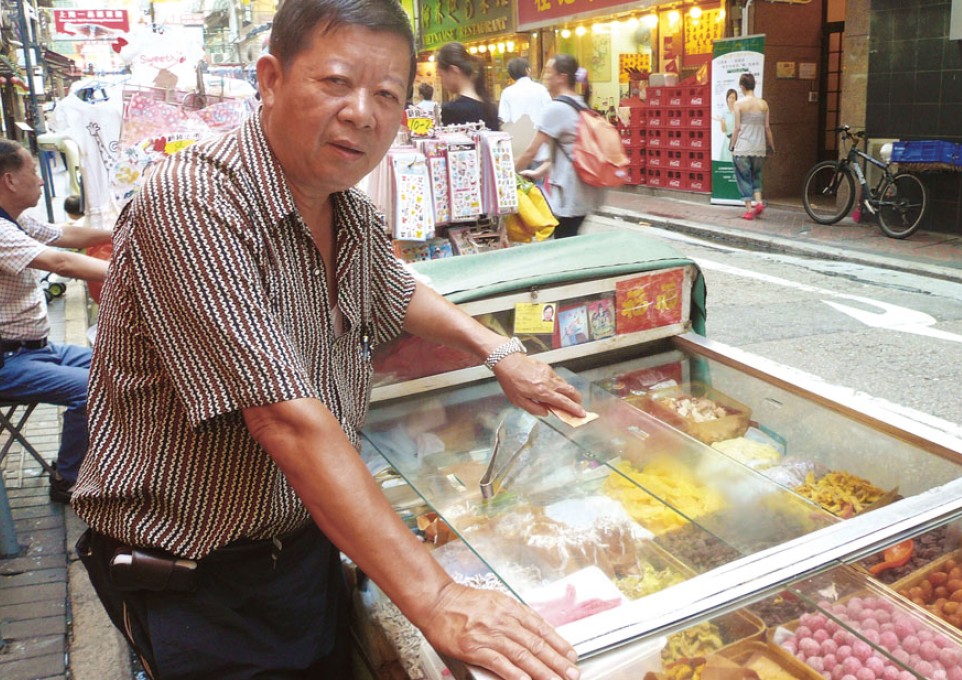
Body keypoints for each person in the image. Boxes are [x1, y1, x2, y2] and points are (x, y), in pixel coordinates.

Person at [72, 2, 584, 679]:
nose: (362, 113)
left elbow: (398, 291)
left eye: (387, 95)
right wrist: (436, 596)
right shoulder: (193, 201)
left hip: (302, 548)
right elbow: (282, 417)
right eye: (336, 83)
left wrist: (499, 352)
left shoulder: (349, 209)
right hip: (197, 582)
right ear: (271, 79)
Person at [0, 139, 111, 503]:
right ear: (9, 180)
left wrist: (119, 231)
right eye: (34, 171)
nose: (41, 180)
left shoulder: (15, 219)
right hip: (8, 361)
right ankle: (69, 478)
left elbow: (64, 235)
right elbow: (60, 262)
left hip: (36, 348)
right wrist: (131, 272)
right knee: (89, 389)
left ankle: (104, 461)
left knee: (119, 364)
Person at [514, 54, 606, 239]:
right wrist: (538, 172)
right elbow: (567, 150)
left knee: (564, 240)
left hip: (570, 190)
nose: (545, 77)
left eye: (549, 72)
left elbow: (531, 151)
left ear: (562, 77)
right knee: (568, 237)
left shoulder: (557, 108)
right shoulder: (579, 102)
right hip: (582, 188)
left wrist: (508, 173)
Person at [729, 73, 775, 220]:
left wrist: (732, 146)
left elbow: (737, 128)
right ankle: (759, 202)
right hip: (759, 148)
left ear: (742, 87)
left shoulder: (739, 104)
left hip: (743, 147)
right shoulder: (764, 104)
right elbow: (767, 128)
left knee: (744, 178)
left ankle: (749, 210)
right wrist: (771, 146)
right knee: (756, 175)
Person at [436, 41, 500, 131]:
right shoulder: (490, 108)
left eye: (441, 76)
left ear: (454, 71)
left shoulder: (451, 111)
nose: (442, 82)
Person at [498, 57, 551, 127]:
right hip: (539, 131)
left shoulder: (507, 92)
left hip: (516, 132)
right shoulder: (541, 89)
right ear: (528, 70)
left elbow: (504, 119)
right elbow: (549, 113)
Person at [716, 88, 737, 163]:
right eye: (730, 97)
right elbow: (723, 130)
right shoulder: (724, 113)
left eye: (733, 98)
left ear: (736, 100)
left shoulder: (738, 112)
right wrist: (722, 122)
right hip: (727, 142)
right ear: (727, 99)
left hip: (737, 143)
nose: (731, 100)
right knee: (725, 165)